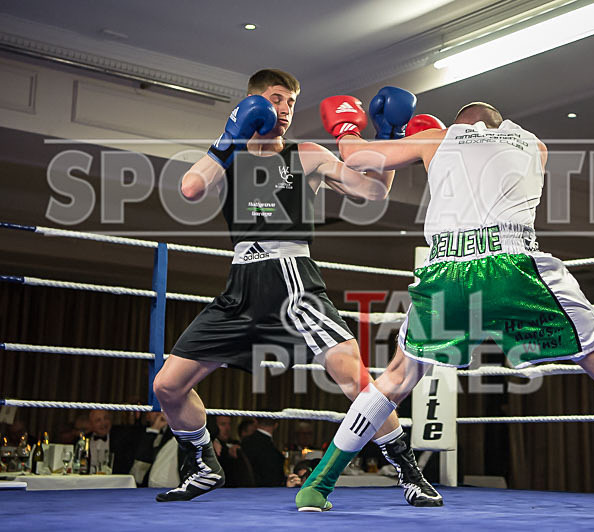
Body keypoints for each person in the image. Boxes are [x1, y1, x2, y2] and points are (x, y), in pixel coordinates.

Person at [294, 101, 594, 525]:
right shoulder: (535, 146)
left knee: (397, 378)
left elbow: (354, 158)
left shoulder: (437, 138)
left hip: (448, 271)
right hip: (515, 265)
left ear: (458, 124)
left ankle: (317, 485)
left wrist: (373, 131)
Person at [151, 70, 439, 506]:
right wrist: (229, 136)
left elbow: (373, 192)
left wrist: (389, 137)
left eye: (290, 102)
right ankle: (202, 463)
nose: (285, 109)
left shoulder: (306, 154)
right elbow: (190, 188)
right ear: (252, 103)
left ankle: (409, 472)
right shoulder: (228, 155)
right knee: (167, 386)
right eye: (276, 99)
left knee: (355, 379)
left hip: (294, 280)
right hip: (240, 286)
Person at [87, 409, 141, 475]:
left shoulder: (122, 439)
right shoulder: (84, 440)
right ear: (91, 424)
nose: (103, 423)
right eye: (98, 420)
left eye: (106, 418)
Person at [212, 416, 254, 487]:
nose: (227, 428)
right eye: (223, 424)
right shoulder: (210, 445)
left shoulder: (237, 444)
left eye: (229, 424)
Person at [240, 419, 284, 487]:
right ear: (276, 425)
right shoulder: (274, 454)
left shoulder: (244, 443)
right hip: (265, 490)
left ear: (256, 422)